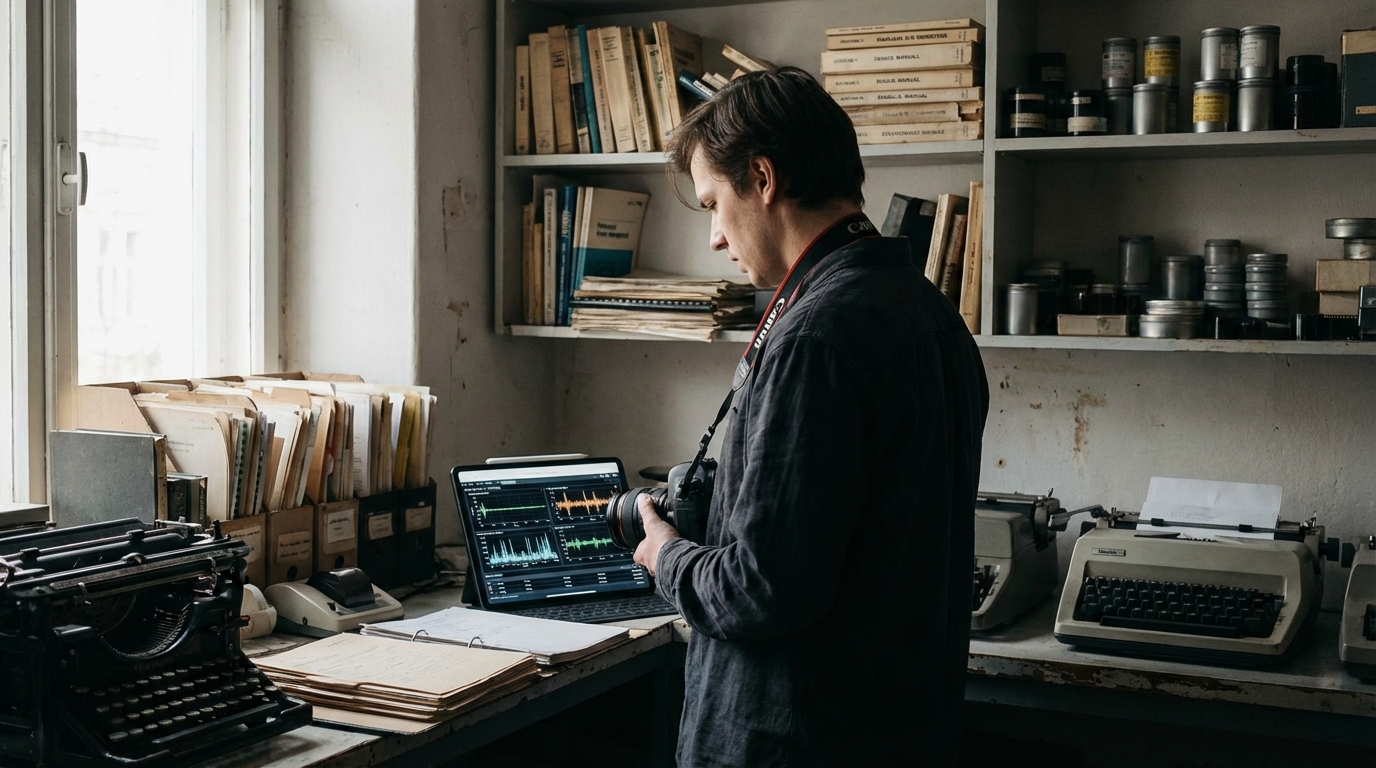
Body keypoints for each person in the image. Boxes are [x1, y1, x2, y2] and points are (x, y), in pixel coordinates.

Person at [631, 67, 990, 767]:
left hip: (795, 741)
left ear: (762, 178)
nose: (713, 238)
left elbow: (759, 590)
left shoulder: (814, 338)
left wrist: (666, 556)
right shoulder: (931, 315)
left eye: (713, 203)